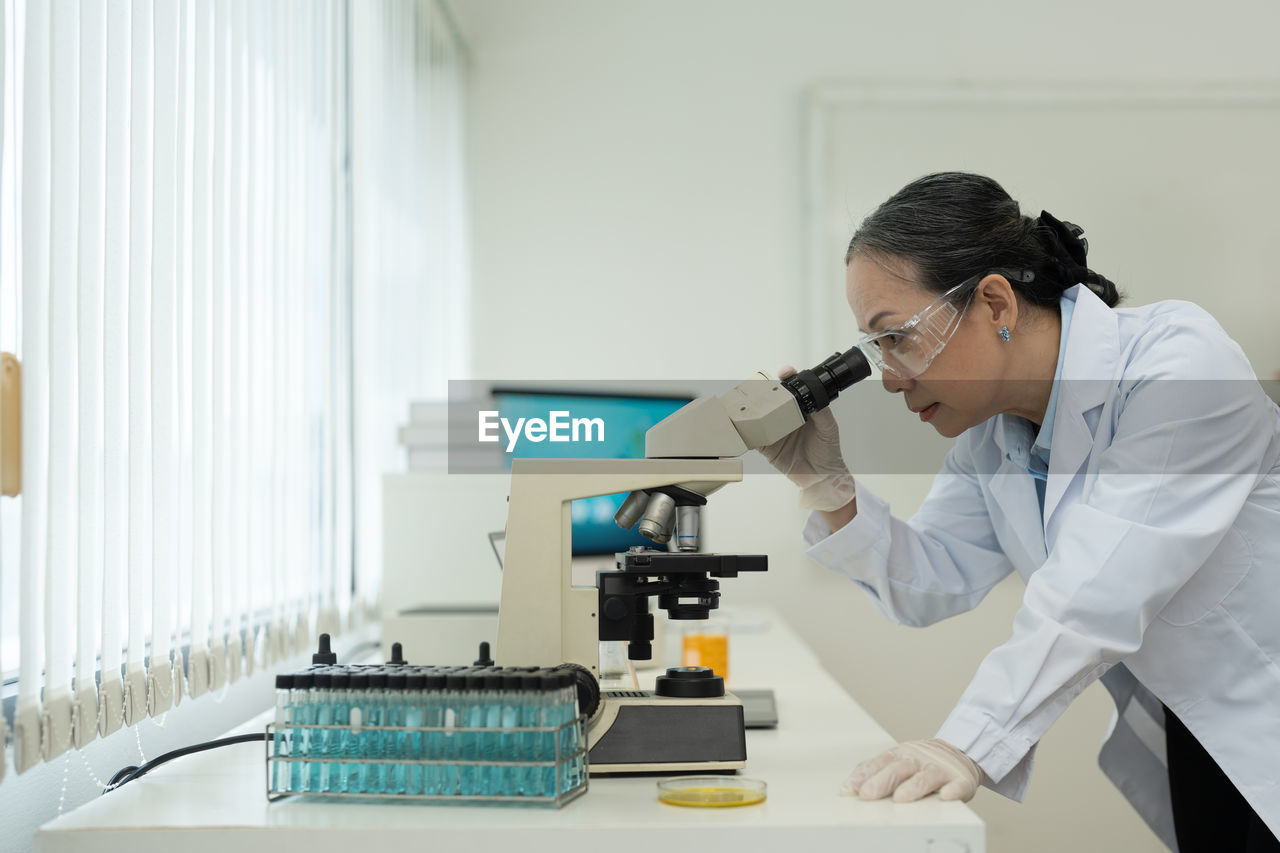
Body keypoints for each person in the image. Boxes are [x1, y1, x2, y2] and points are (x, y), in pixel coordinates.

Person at [762, 172, 1280, 852]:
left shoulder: (1179, 363)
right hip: (1203, 727)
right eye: (875, 348)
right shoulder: (995, 433)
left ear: (996, 303)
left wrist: (964, 744)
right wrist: (826, 482)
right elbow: (931, 583)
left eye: (899, 337)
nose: (889, 375)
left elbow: (1098, 590)